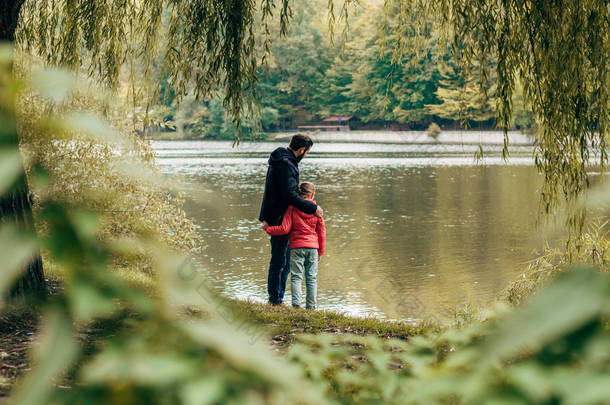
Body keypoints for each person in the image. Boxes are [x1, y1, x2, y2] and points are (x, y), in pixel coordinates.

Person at [259, 134, 323, 305]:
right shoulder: (286, 164)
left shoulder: (282, 159)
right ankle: (275, 298)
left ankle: (277, 297)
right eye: (307, 152)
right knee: (280, 261)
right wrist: (313, 208)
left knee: (285, 260)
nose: (306, 155)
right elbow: (290, 196)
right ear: (301, 150)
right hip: (279, 217)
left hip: (279, 215)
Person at [263, 182, 325, 309]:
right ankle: (311, 306)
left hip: (296, 247)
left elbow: (285, 229)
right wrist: (321, 251)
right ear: (312, 195)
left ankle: (296, 305)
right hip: (313, 248)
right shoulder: (317, 211)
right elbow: (322, 233)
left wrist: (269, 229)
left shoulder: (292, 208)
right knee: (311, 278)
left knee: (296, 277)